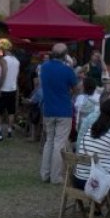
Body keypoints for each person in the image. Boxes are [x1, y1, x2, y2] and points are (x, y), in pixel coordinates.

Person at [39, 43, 79, 185]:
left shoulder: (44, 67)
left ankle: (45, 174)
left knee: (49, 141)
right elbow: (76, 88)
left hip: (48, 109)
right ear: (65, 55)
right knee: (59, 143)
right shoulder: (67, 70)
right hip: (63, 110)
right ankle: (56, 177)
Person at [0, 39, 20, 141]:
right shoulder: (17, 61)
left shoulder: (4, 60)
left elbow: (3, 73)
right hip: (13, 88)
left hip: (4, 89)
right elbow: (16, 76)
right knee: (11, 111)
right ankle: (9, 131)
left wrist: (0, 87)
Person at [73, 78, 101, 153]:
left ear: (84, 87)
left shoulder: (80, 98)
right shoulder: (99, 97)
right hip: (95, 127)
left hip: (81, 127)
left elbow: (76, 112)